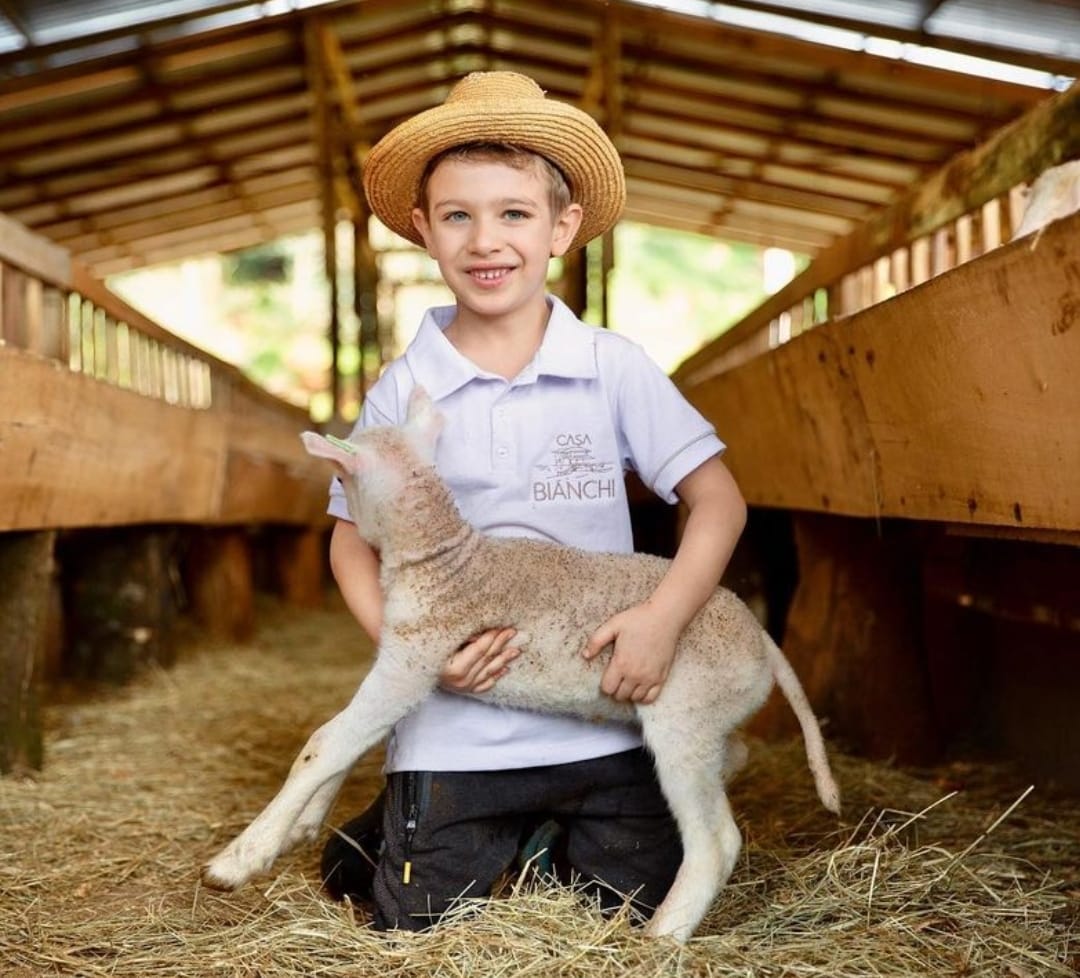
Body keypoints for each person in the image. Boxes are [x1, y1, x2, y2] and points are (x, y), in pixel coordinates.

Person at [320, 70, 747, 932]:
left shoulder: (612, 366)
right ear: (423, 230)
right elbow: (345, 543)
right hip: (458, 730)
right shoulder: (402, 390)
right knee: (414, 920)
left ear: (562, 228)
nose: (488, 240)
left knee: (622, 911)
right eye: (458, 215)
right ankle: (388, 830)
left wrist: (662, 620)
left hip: (605, 719)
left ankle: (545, 840)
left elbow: (719, 503)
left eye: (514, 213)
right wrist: (416, 659)